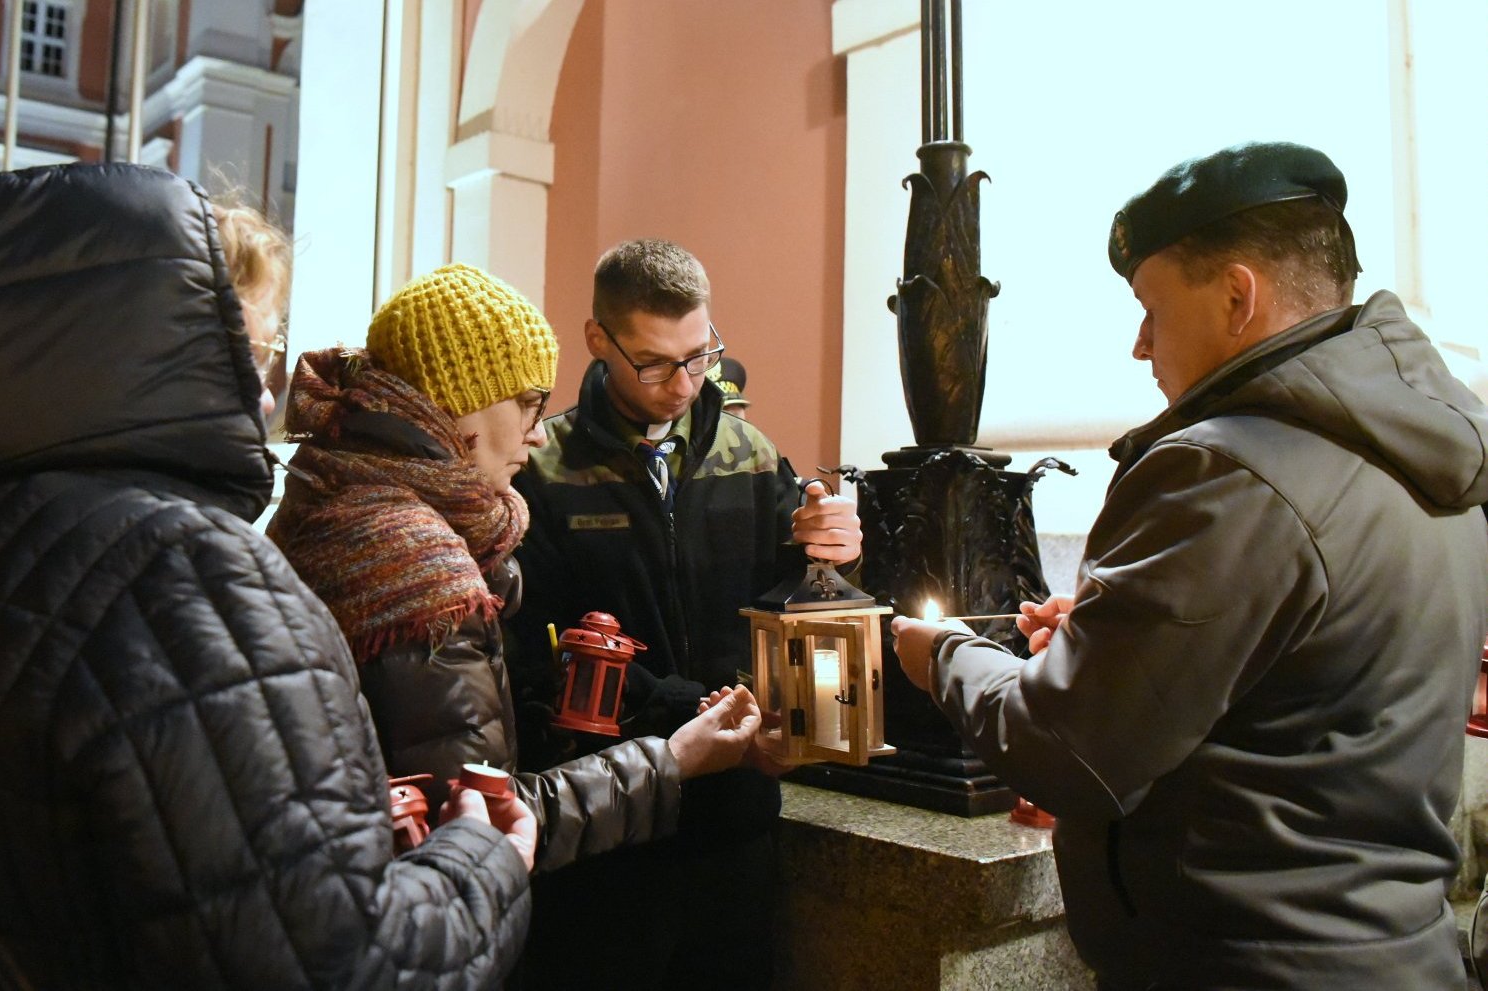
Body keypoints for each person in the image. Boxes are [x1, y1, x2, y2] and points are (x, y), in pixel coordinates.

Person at [0, 163, 538, 989]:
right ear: (153, 348)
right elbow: (340, 966)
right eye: (253, 346)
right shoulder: (191, 571)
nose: (265, 383)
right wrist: (483, 856)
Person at [890, 141, 1488, 990]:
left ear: (1237, 295)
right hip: (1392, 948)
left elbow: (1067, 751)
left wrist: (946, 654)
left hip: (1250, 961)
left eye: (1151, 307)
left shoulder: (1227, 469)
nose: (1141, 344)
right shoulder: (1424, 450)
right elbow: (1310, 685)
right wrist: (1112, 640)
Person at [266, 263, 761, 880]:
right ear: (460, 401)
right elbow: (475, 832)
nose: (533, 432)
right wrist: (673, 761)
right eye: (527, 402)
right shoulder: (415, 563)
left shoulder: (336, 491)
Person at [505, 239, 861, 990]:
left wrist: (836, 552)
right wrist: (692, 713)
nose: (683, 383)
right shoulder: (544, 470)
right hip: (608, 829)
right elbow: (541, 661)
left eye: (700, 355)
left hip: (734, 822)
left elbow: (791, 604)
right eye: (655, 362)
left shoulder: (753, 455)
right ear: (598, 341)